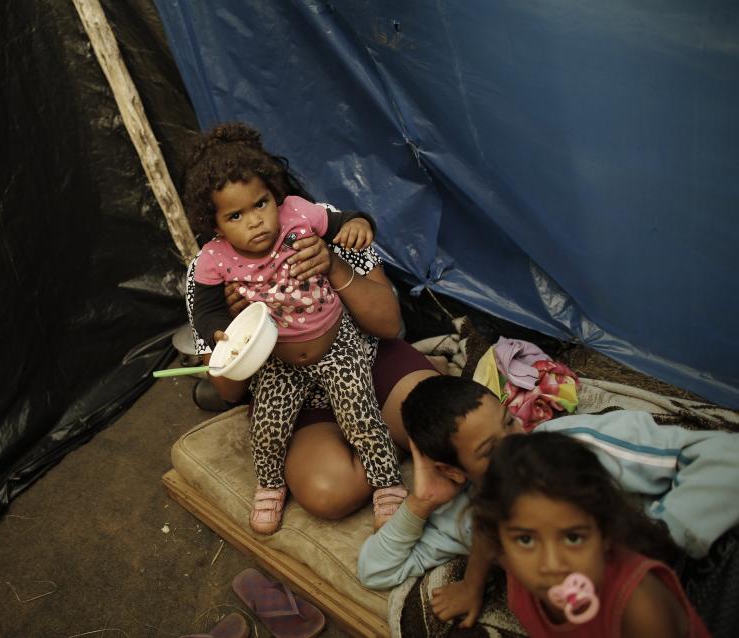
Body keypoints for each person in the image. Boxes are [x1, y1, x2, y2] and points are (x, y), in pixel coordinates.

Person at [181, 122, 443, 532]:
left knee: (443, 425)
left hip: (351, 354)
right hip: (287, 376)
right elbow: (229, 390)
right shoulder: (211, 267)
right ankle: (302, 470)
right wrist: (232, 327)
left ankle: (382, 454)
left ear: (276, 194)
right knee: (325, 489)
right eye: (236, 215)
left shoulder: (306, 222)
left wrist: (335, 261)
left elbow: (390, 325)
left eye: (261, 204)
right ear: (215, 225)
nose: (255, 222)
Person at [357, 375, 739, 632]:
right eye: (490, 450)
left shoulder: (578, 446)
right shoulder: (468, 516)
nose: (518, 445)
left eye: (509, 423)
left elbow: (726, 454)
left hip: (696, 557)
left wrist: (664, 534)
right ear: (453, 471)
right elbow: (376, 570)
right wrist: (421, 504)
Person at [472, 431, 710, 637]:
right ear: (500, 542)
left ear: (605, 533)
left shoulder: (640, 608)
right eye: (526, 540)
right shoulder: (508, 555)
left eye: (573, 538)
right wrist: (471, 585)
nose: (552, 565)